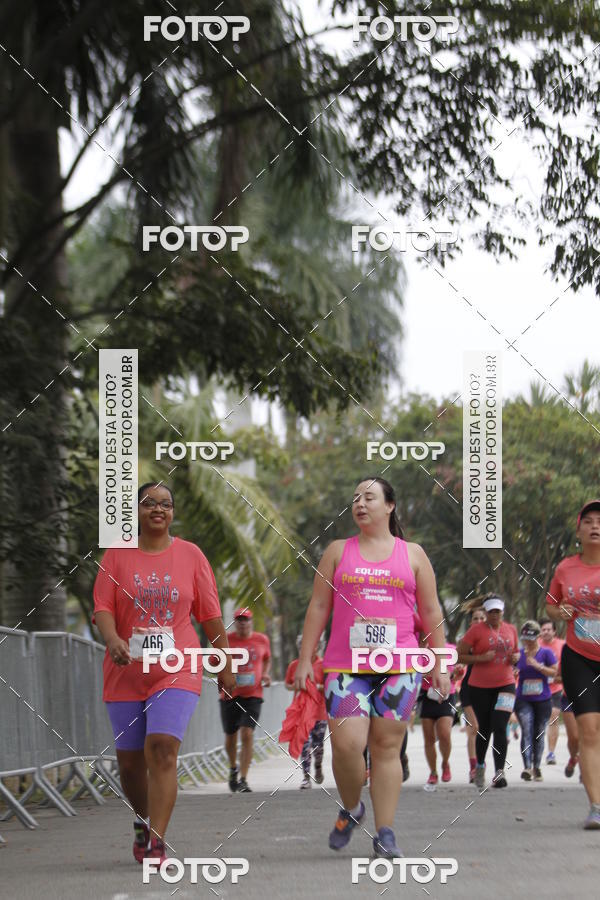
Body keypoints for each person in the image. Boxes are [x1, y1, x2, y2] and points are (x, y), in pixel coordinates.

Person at [294, 477, 450, 858]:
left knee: (386, 747)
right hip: (346, 666)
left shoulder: (412, 554)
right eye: (355, 499)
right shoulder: (337, 551)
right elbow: (318, 607)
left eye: (369, 497)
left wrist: (441, 662)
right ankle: (352, 808)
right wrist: (304, 658)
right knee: (347, 745)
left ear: (390, 506)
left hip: (400, 666)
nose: (360, 503)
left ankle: (386, 832)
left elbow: (431, 611)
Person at [93, 483, 234, 866]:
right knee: (129, 763)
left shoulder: (191, 555)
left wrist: (224, 663)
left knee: (161, 748)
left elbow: (210, 616)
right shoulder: (117, 555)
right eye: (149, 503)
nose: (158, 509)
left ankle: (157, 839)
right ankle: (141, 821)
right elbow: (103, 607)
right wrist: (112, 639)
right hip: (125, 670)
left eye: (166, 504)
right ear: (137, 511)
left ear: (173, 512)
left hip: (178, 665)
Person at [546, 500, 600, 828]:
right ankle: (596, 806)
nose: (596, 525)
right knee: (590, 731)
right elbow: (551, 605)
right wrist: (559, 612)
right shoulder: (566, 568)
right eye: (589, 521)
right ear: (579, 530)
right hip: (578, 658)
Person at [457, 594, 519, 789]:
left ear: (502, 612)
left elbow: (516, 652)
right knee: (484, 729)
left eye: (497, 611)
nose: (494, 615)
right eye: (491, 611)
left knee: (500, 726)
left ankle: (499, 773)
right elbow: (460, 655)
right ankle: (481, 767)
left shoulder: (511, 629)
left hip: (506, 684)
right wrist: (481, 658)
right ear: (485, 612)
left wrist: (516, 658)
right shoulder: (476, 631)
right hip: (480, 686)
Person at [220, 608, 271, 792]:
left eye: (246, 619)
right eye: (239, 620)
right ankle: (233, 768)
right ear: (235, 623)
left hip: (253, 695)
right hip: (230, 694)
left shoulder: (261, 640)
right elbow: (214, 661)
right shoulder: (226, 640)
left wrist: (265, 674)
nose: (242, 623)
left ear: (251, 622)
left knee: (247, 733)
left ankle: (243, 779)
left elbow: (267, 659)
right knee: (231, 736)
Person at [514, 621, 558, 781]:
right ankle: (527, 768)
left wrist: (539, 666)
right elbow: (509, 671)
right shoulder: (519, 654)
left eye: (531, 638)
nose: (528, 641)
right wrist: (513, 672)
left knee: (538, 733)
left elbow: (554, 672)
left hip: (543, 699)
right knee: (526, 729)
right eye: (525, 637)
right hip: (523, 699)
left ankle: (537, 767)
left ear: (537, 637)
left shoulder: (546, 653)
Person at [284, 637, 327, 788]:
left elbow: (328, 686)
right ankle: (306, 777)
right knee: (305, 743)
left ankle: (318, 766)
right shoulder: (294, 665)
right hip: (303, 711)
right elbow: (288, 685)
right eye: (302, 645)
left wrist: (315, 686)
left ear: (318, 647)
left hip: (320, 712)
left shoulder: (323, 664)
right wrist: (298, 685)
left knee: (318, 744)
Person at [538, 617, 576, 771]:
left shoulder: (562, 646)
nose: (546, 632)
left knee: (554, 716)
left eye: (549, 629)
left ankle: (551, 753)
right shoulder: (535, 645)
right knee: (537, 722)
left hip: (557, 688)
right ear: (540, 632)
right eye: (543, 629)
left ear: (554, 631)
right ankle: (535, 752)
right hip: (537, 689)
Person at [419, 642, 457, 789]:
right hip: (427, 695)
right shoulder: (421, 651)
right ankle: (433, 772)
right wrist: (432, 673)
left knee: (444, 734)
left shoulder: (450, 649)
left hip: (447, 695)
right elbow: (415, 673)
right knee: (428, 738)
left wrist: (455, 673)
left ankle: (445, 763)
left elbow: (453, 673)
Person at [458, 604, 487, 782]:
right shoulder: (465, 640)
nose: (478, 621)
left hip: (487, 687)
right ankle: (473, 768)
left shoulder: (493, 638)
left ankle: (481, 763)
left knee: (484, 730)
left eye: (481, 618)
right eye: (475, 618)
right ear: (471, 622)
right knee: (473, 729)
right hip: (469, 687)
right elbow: (456, 657)